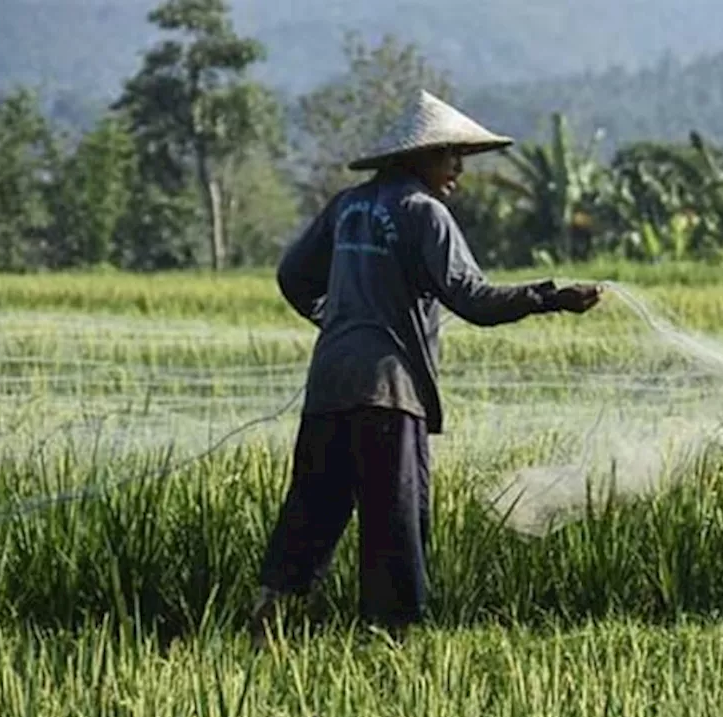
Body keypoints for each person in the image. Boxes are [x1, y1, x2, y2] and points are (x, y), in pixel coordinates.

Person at [249, 89, 602, 645]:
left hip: (329, 383)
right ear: (419, 158)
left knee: (313, 505)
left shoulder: (347, 206)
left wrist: (341, 322)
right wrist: (551, 297)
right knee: (395, 517)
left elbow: (293, 276)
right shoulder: (423, 213)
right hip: (391, 390)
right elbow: (473, 300)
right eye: (449, 156)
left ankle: (269, 614)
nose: (458, 169)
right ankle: (390, 641)